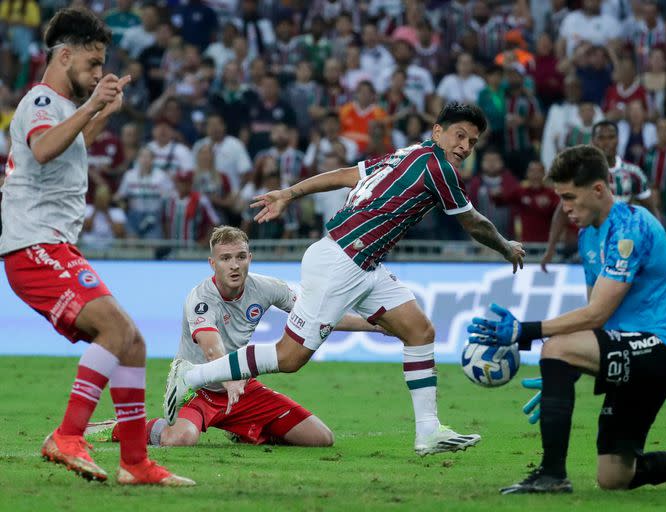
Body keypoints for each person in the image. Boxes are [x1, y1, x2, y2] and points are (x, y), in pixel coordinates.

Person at [165, 103, 525, 456]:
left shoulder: (407, 155)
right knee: (289, 358)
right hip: (341, 260)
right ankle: (192, 377)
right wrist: (506, 246)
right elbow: (473, 222)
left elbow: (345, 175)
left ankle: (428, 431)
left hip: (366, 264)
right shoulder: (437, 167)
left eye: (472, 142)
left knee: (419, 331)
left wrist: (290, 192)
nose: (464, 146)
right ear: (437, 132)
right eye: (459, 136)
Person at [468, 145, 666, 494]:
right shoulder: (588, 236)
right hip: (631, 348)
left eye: (570, 197)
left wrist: (526, 333)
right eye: (560, 198)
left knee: (558, 348)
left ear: (598, 189)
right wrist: (562, 374)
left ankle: (552, 475)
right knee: (615, 477)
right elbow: (596, 318)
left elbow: (598, 312)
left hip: (664, 347)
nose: (565, 207)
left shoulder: (631, 227)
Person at [0, 8, 192, 486]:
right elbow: (44, 148)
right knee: (113, 329)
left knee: (133, 342)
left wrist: (101, 112)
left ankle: (135, 463)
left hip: (56, 248)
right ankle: (67, 435)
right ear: (64, 56)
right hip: (34, 247)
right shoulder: (41, 100)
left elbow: (68, 146)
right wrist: (92, 107)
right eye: (92, 62)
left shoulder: (62, 108)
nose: (98, 72)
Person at [86, 226, 382, 448]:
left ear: (250, 258)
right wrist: (229, 381)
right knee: (180, 440)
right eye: (225, 258)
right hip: (198, 387)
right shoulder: (201, 298)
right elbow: (211, 347)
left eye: (240, 257)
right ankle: (118, 427)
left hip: (240, 387)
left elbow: (319, 315)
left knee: (320, 439)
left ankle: (241, 429)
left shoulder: (268, 288)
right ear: (212, 263)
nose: (234, 265)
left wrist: (376, 325)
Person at [541, 121, 657, 271]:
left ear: (618, 139)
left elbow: (652, 210)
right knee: (595, 292)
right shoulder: (580, 175)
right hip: (592, 246)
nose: (606, 142)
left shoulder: (633, 173)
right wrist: (551, 248)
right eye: (601, 138)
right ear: (593, 141)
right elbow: (562, 211)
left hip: (623, 246)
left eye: (611, 137)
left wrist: (658, 243)